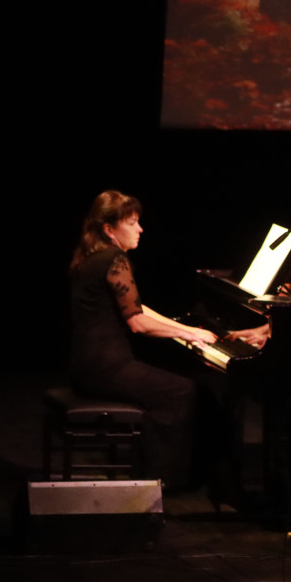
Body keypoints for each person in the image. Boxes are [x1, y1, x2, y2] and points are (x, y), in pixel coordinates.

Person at [69, 190, 219, 491]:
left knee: (172, 386)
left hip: (86, 364)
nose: (141, 229)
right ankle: (157, 482)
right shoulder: (115, 258)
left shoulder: (90, 257)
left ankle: (151, 472)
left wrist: (181, 326)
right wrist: (188, 334)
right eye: (133, 223)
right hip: (106, 367)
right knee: (181, 391)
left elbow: (136, 307)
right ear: (110, 229)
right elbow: (137, 323)